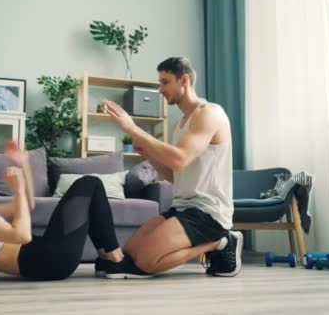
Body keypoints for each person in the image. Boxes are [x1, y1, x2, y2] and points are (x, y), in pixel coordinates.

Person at [102, 57, 242, 278]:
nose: (160, 89)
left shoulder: (209, 113)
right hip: (182, 207)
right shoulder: (181, 124)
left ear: (184, 80)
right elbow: (176, 175)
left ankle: (220, 241)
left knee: (146, 262)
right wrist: (149, 154)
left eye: (165, 82)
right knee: (130, 253)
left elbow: (179, 159)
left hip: (208, 212)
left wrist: (133, 128)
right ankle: (217, 242)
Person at [0, 140, 133, 281]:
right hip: (49, 261)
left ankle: (108, 260)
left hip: (43, 255)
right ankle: (115, 259)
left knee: (89, 188)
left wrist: (24, 166)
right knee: (89, 183)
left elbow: (27, 205)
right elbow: (22, 235)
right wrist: (16, 189)